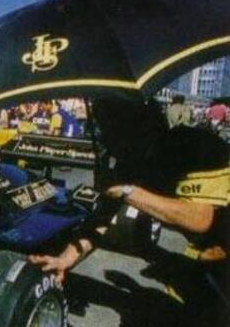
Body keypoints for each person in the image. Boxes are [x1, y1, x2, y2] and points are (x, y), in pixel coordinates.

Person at [30, 98, 228, 289]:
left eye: (109, 129)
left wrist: (128, 192)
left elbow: (200, 218)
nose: (104, 138)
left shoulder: (194, 144)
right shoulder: (131, 161)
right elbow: (101, 219)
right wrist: (66, 258)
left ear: (135, 126)